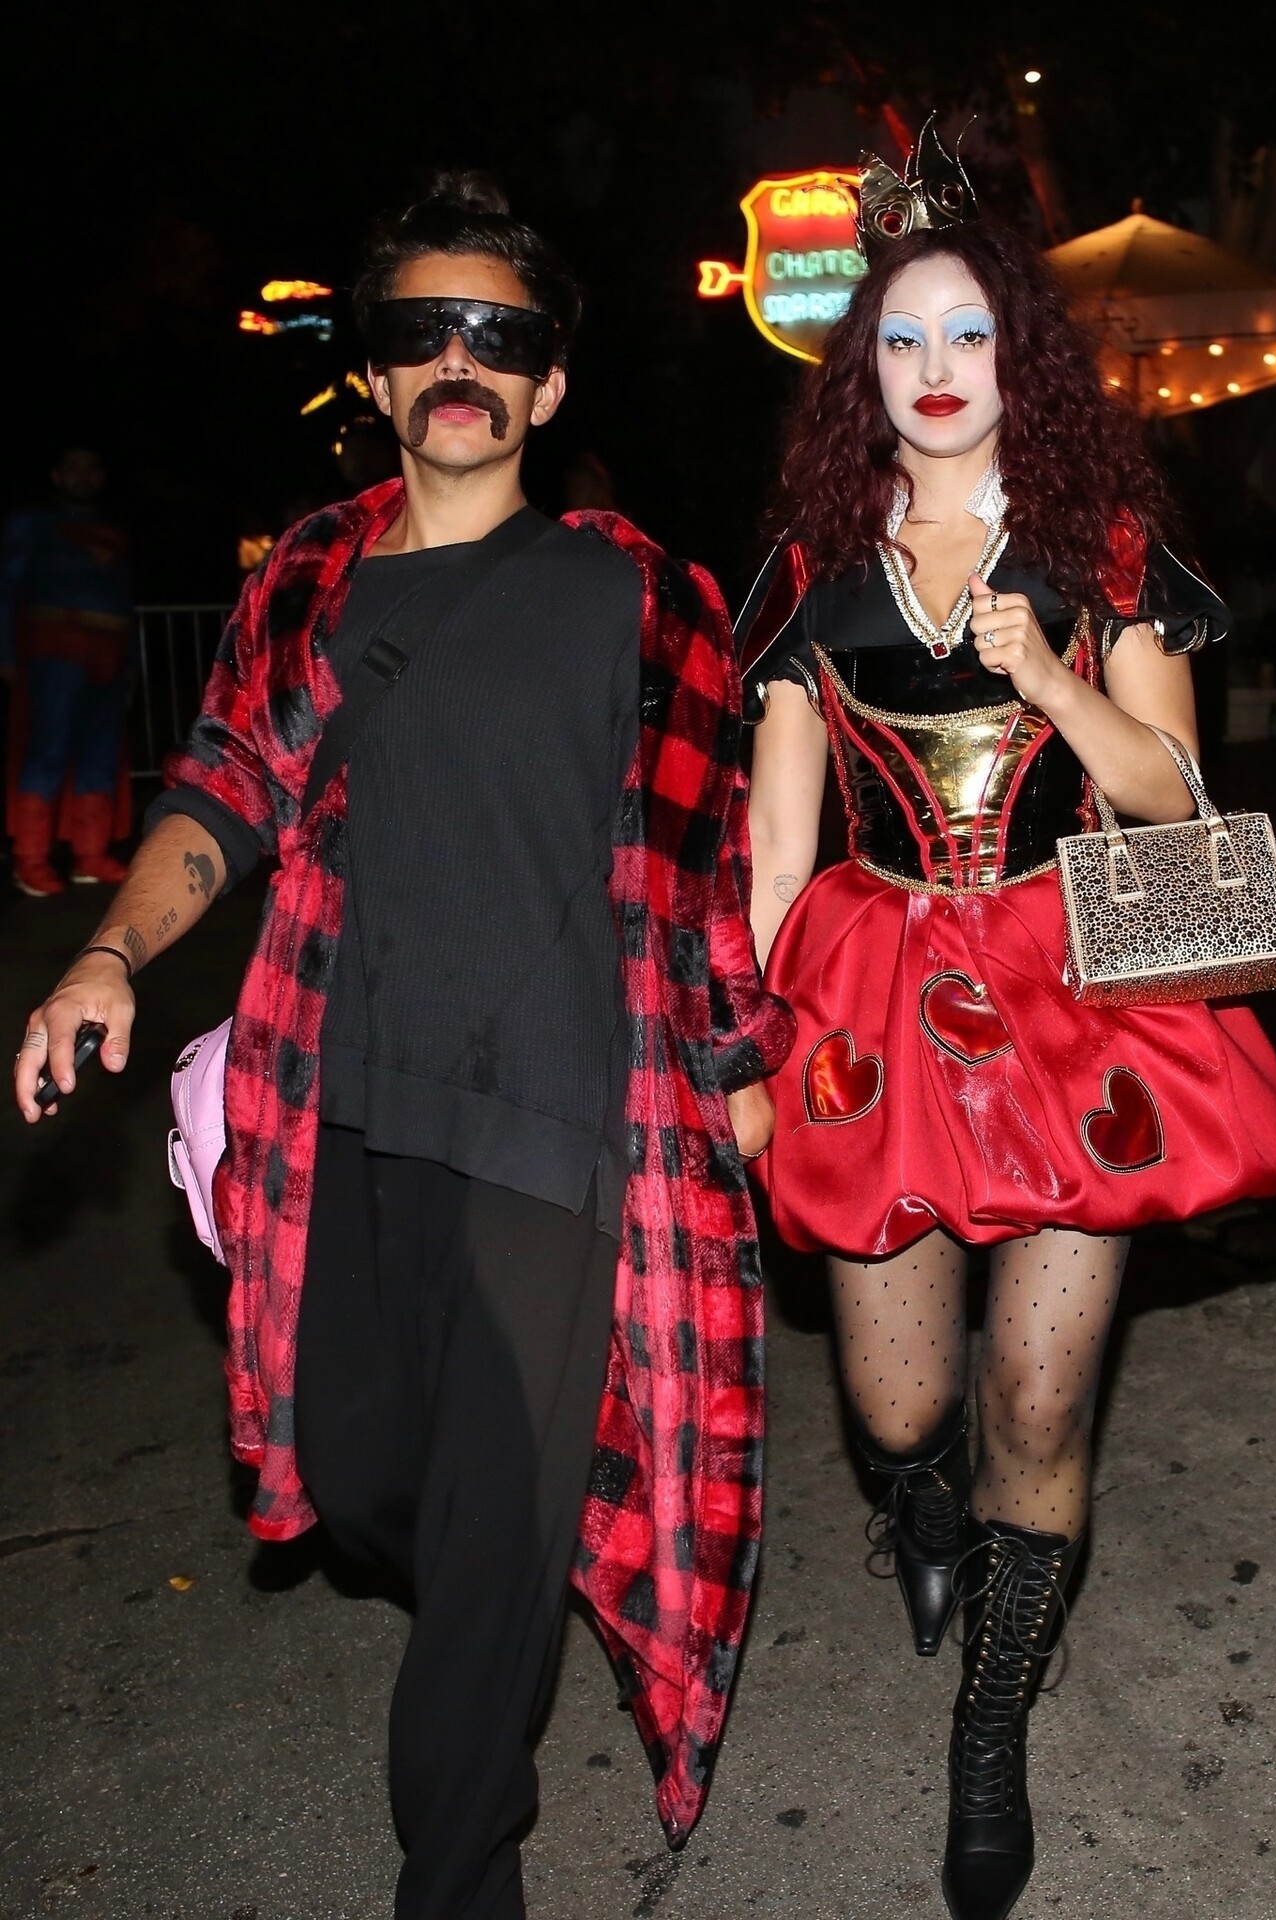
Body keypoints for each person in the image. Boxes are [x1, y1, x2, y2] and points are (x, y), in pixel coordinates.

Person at [15, 171, 790, 1920]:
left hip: (563, 1124)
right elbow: (224, 784)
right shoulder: (309, 576)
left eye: (499, 336)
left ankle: (458, 1878)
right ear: (372, 372)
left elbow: (704, 857)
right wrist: (108, 954)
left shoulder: (636, 595)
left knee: (493, 1535)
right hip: (341, 1106)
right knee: (365, 1478)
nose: (462, 360)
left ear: (549, 382)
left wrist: (737, 1064)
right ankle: (466, 1567)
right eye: (424, 330)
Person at [739, 128, 1276, 1920]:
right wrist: (750, 1059)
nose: (934, 369)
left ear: (1017, 358)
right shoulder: (811, 566)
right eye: (901, 339)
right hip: (873, 1012)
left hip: (1073, 1010)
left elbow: (1173, 796)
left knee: (1035, 1402)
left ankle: (989, 1732)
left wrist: (1050, 671)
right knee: (899, 1402)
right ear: (862, 366)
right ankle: (917, 1503)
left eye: (967, 334)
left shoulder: (1100, 549)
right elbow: (776, 853)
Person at [1, 445, 134, 895]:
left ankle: (90, 853)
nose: (83, 476)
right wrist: (6, 653)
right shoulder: (32, 523)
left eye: (91, 467)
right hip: (55, 650)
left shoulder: (114, 528)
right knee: (47, 749)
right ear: (57, 475)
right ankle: (30, 858)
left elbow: (125, 599)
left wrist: (130, 662)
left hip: (108, 653)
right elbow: (8, 587)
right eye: (73, 467)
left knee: (100, 753)